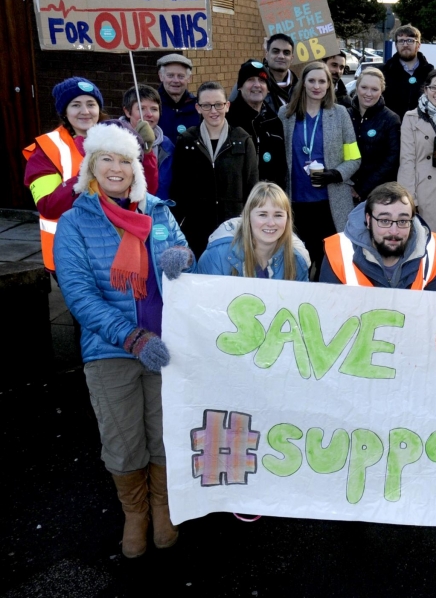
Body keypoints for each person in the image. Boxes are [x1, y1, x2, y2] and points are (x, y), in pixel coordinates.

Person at [54, 121, 195, 558]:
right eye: (106, 159)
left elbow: (184, 254)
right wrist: (131, 338)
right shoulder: (75, 223)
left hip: (164, 343)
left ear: (137, 166)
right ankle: (135, 512)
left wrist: (181, 257)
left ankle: (162, 505)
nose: (116, 168)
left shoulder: (157, 209)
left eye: (125, 160)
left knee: (163, 434)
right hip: (110, 349)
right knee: (123, 439)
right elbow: (79, 295)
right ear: (92, 167)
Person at [279, 61, 361, 277]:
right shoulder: (285, 115)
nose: (317, 86)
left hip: (329, 203)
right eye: (312, 80)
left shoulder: (340, 114)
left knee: (328, 263)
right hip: (295, 202)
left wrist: (336, 174)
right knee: (297, 261)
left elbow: (354, 158)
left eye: (322, 81)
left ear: (329, 85)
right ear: (303, 83)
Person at [23, 76, 105, 272]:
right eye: (76, 105)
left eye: (91, 104)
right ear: (65, 112)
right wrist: (86, 174)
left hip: (111, 248)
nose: (85, 112)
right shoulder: (46, 149)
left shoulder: (113, 138)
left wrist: (144, 155)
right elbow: (48, 205)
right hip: (69, 253)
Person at [170, 82, 259, 255]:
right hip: (196, 231)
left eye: (218, 104)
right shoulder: (186, 141)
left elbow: (252, 188)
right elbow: (178, 190)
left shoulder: (243, 139)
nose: (213, 110)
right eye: (206, 105)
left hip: (233, 230)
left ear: (227, 106)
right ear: (198, 107)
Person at [321, 182, 436, 290]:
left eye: (402, 221)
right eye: (385, 221)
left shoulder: (434, 251)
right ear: (368, 221)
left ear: (411, 222)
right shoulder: (338, 252)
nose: (394, 231)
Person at [197, 181, 310, 280]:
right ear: (248, 217)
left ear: (288, 219)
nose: (271, 223)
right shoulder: (218, 254)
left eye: (278, 215)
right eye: (262, 215)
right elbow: (202, 301)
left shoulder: (297, 259)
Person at [398, 68, 436, 238]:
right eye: (434, 88)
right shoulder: (411, 118)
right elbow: (407, 161)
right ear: (426, 89)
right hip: (421, 190)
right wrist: (409, 199)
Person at [227, 60, 288, 190]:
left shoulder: (275, 122)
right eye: (250, 80)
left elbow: (281, 169)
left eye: (262, 80)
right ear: (240, 86)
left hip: (269, 201)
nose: (257, 85)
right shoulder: (227, 120)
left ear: (268, 88)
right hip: (238, 203)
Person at [349, 68, 402, 204]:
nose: (368, 93)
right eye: (364, 87)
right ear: (357, 87)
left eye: (374, 89)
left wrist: (362, 189)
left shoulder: (391, 119)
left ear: (381, 91)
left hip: (377, 193)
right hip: (346, 189)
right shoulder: (345, 114)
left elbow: (391, 160)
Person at [118, 86, 162, 198]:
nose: (149, 114)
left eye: (154, 109)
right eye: (141, 109)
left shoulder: (167, 147)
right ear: (127, 112)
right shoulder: (113, 141)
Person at [382, 25, 434, 117]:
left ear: (418, 45)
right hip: (392, 127)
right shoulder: (385, 72)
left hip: (421, 127)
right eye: (401, 41)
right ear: (396, 45)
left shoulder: (430, 73)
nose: (405, 45)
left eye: (410, 40)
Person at [155, 54, 201, 146]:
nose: (176, 80)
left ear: (189, 78)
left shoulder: (198, 106)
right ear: (161, 76)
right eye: (170, 75)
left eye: (181, 76)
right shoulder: (152, 105)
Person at [264, 33, 298, 105]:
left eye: (286, 53)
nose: (281, 56)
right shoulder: (254, 86)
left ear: (292, 58)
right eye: (276, 51)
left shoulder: (302, 88)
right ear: (266, 55)